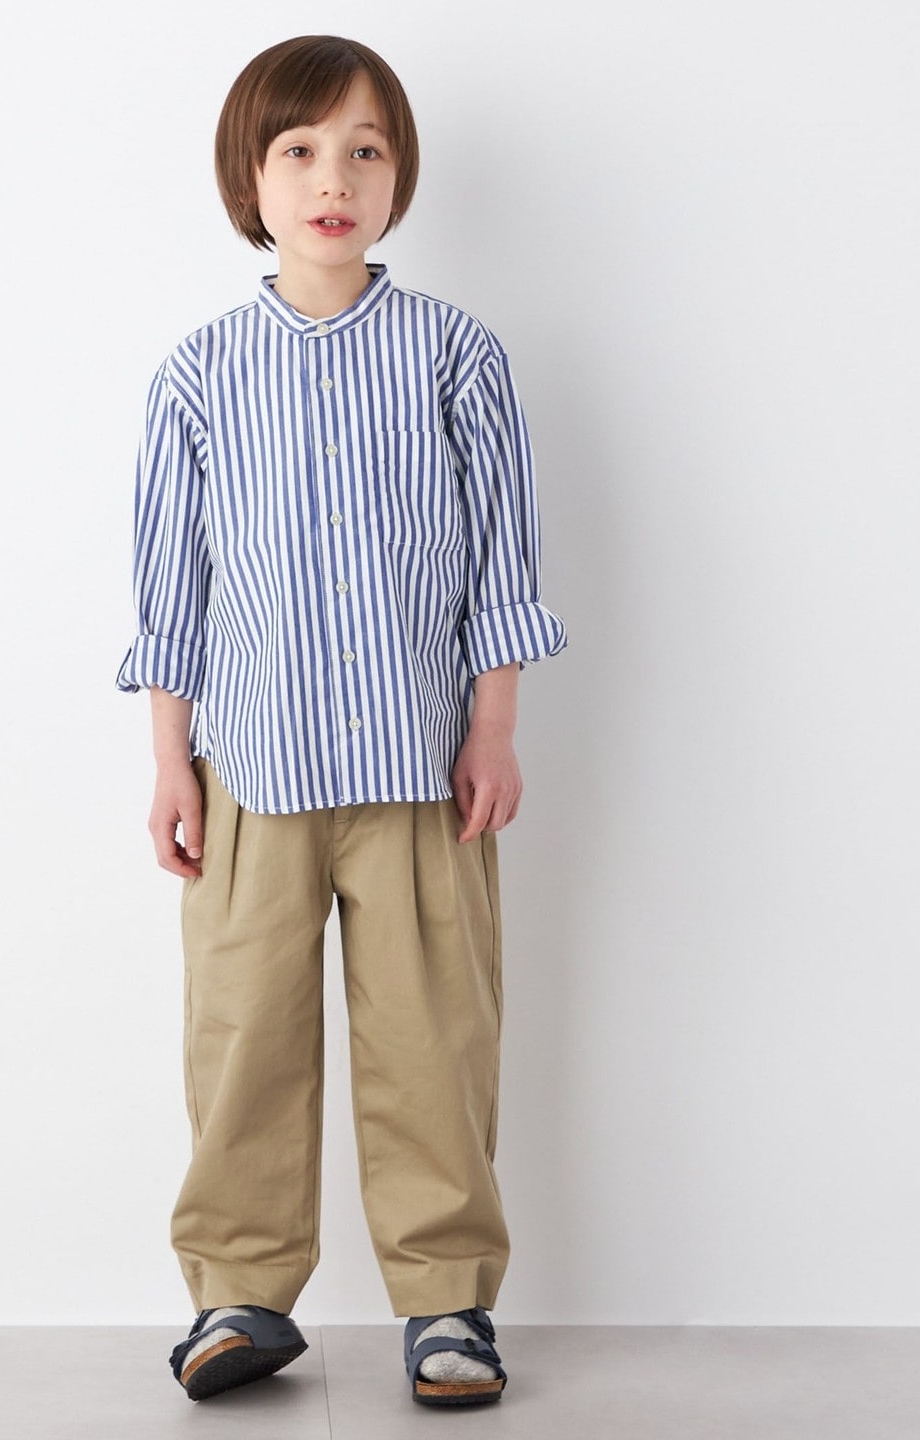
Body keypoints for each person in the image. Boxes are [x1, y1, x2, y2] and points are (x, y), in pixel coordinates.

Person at [116, 34, 567, 1407]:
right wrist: (170, 762)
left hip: (422, 768)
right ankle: (240, 1295)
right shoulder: (200, 376)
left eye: (365, 150)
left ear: (398, 176)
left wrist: (494, 728)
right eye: (301, 150)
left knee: (434, 1038)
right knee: (243, 1033)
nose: (335, 179)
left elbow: (502, 561)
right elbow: (172, 587)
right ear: (250, 180)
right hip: (251, 771)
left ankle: (447, 1302)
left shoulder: (455, 355)